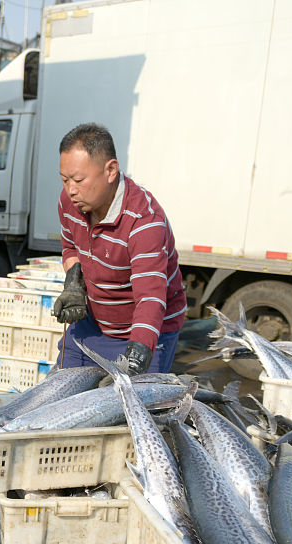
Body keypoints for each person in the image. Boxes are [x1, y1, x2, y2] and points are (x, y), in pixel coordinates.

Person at [51, 123, 186, 374]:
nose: (71, 190)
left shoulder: (144, 222)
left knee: (130, 398)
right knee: (60, 387)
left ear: (111, 170)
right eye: (64, 180)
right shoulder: (69, 203)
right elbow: (70, 247)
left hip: (146, 330)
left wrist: (136, 359)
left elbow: (151, 298)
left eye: (78, 180)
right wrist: (74, 282)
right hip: (94, 323)